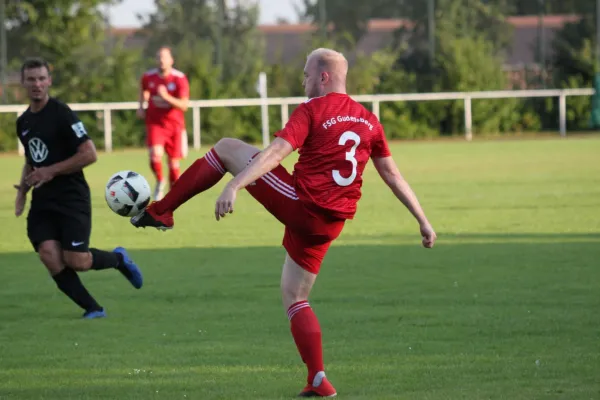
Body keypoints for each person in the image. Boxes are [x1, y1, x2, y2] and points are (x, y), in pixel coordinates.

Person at [131, 48, 437, 397]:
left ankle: (163, 210)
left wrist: (235, 184)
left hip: (303, 206)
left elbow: (277, 151)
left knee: (228, 148)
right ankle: (318, 378)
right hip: (330, 223)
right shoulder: (369, 120)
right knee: (294, 294)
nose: (303, 80)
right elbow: (392, 174)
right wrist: (423, 221)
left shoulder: (312, 110)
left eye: (306, 74)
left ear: (324, 77)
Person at [14, 57, 143, 319]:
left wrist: (50, 171)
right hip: (43, 202)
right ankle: (93, 308)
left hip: (72, 198)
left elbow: (89, 154)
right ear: (23, 83)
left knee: (77, 261)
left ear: (49, 81)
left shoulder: (62, 114)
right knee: (49, 254)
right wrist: (22, 193)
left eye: (41, 78)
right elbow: (32, 160)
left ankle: (118, 259)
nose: (36, 84)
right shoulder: (23, 122)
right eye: (31, 79)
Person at [137, 46, 190, 200]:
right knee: (155, 155)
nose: (161, 60)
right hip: (155, 124)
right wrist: (141, 107)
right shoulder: (148, 77)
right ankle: (160, 181)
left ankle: (174, 195)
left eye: (164, 57)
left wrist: (166, 97)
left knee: (174, 165)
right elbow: (143, 90)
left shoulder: (179, 78)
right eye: (159, 57)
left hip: (175, 126)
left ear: (171, 60)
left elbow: (184, 105)